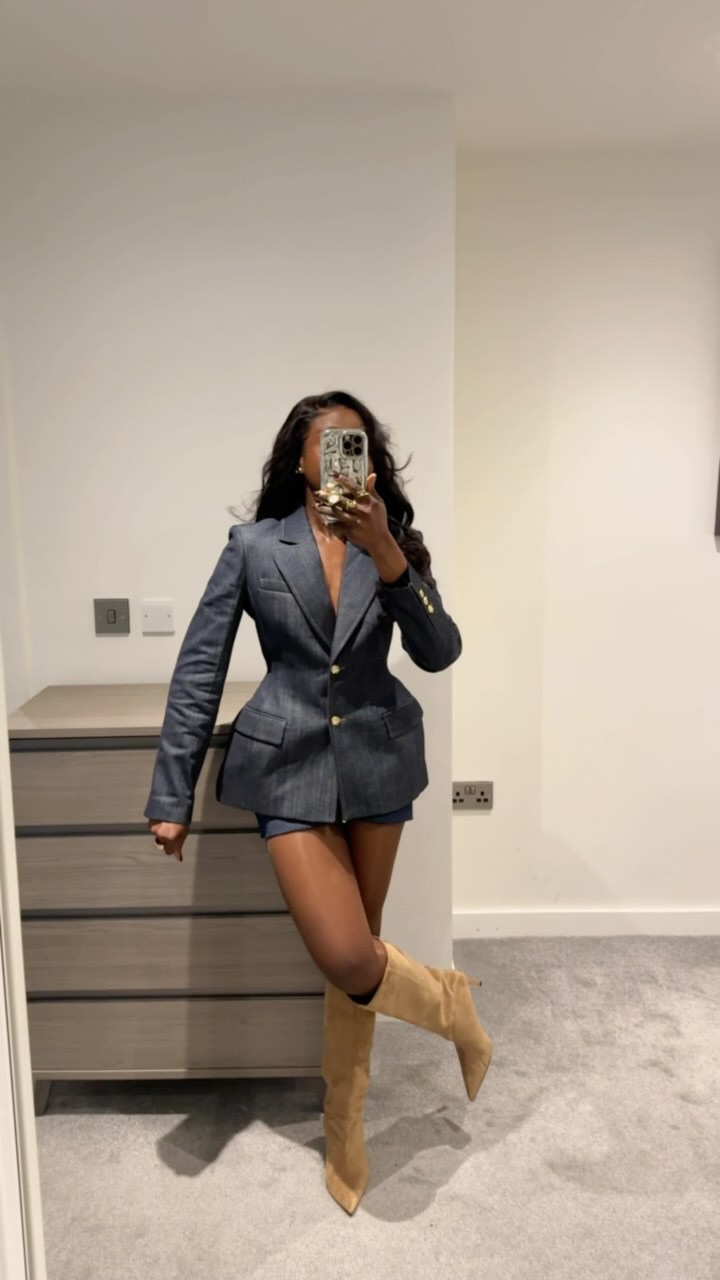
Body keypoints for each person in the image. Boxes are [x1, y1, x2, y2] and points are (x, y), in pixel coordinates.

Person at [144, 390, 492, 1215]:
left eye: (358, 443)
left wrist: (390, 554)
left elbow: (440, 651)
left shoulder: (392, 542)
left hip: (377, 759)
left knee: (357, 961)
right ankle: (450, 1005)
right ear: (299, 458)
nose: (345, 455)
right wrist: (172, 791)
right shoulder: (254, 545)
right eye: (330, 442)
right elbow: (199, 668)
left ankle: (345, 1125)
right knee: (345, 954)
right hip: (286, 761)